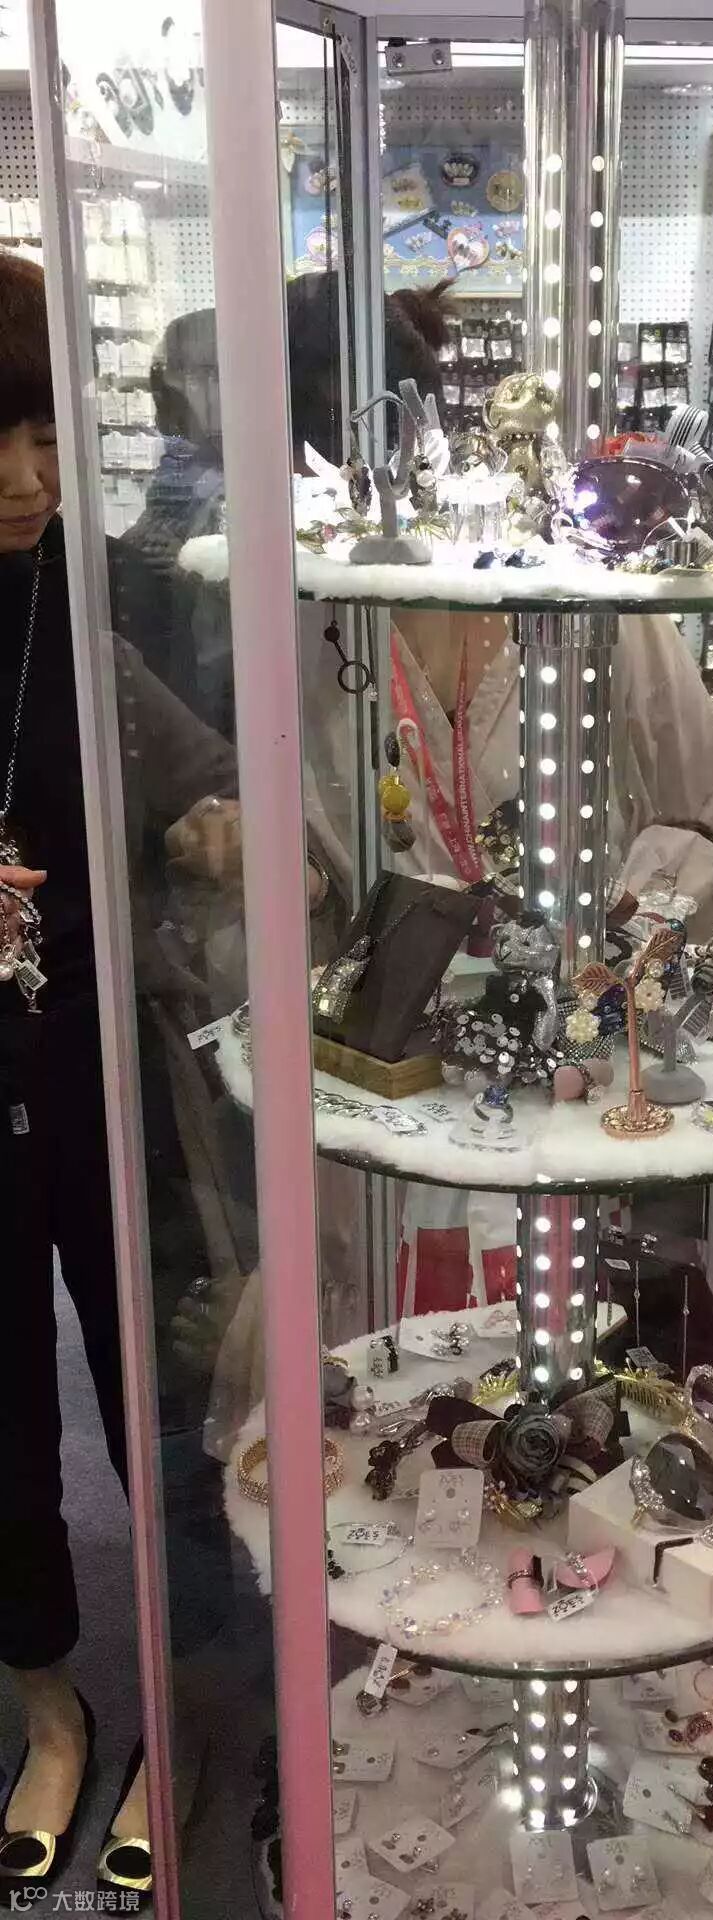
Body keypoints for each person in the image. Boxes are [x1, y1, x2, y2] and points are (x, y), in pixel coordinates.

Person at [0, 252, 338, 1903]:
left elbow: (238, 795)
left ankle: (191, 1706)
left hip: (114, 1070)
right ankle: (49, 1709)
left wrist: (224, 835)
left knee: (177, 1393)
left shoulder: (109, 597)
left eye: (44, 436)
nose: (26, 477)